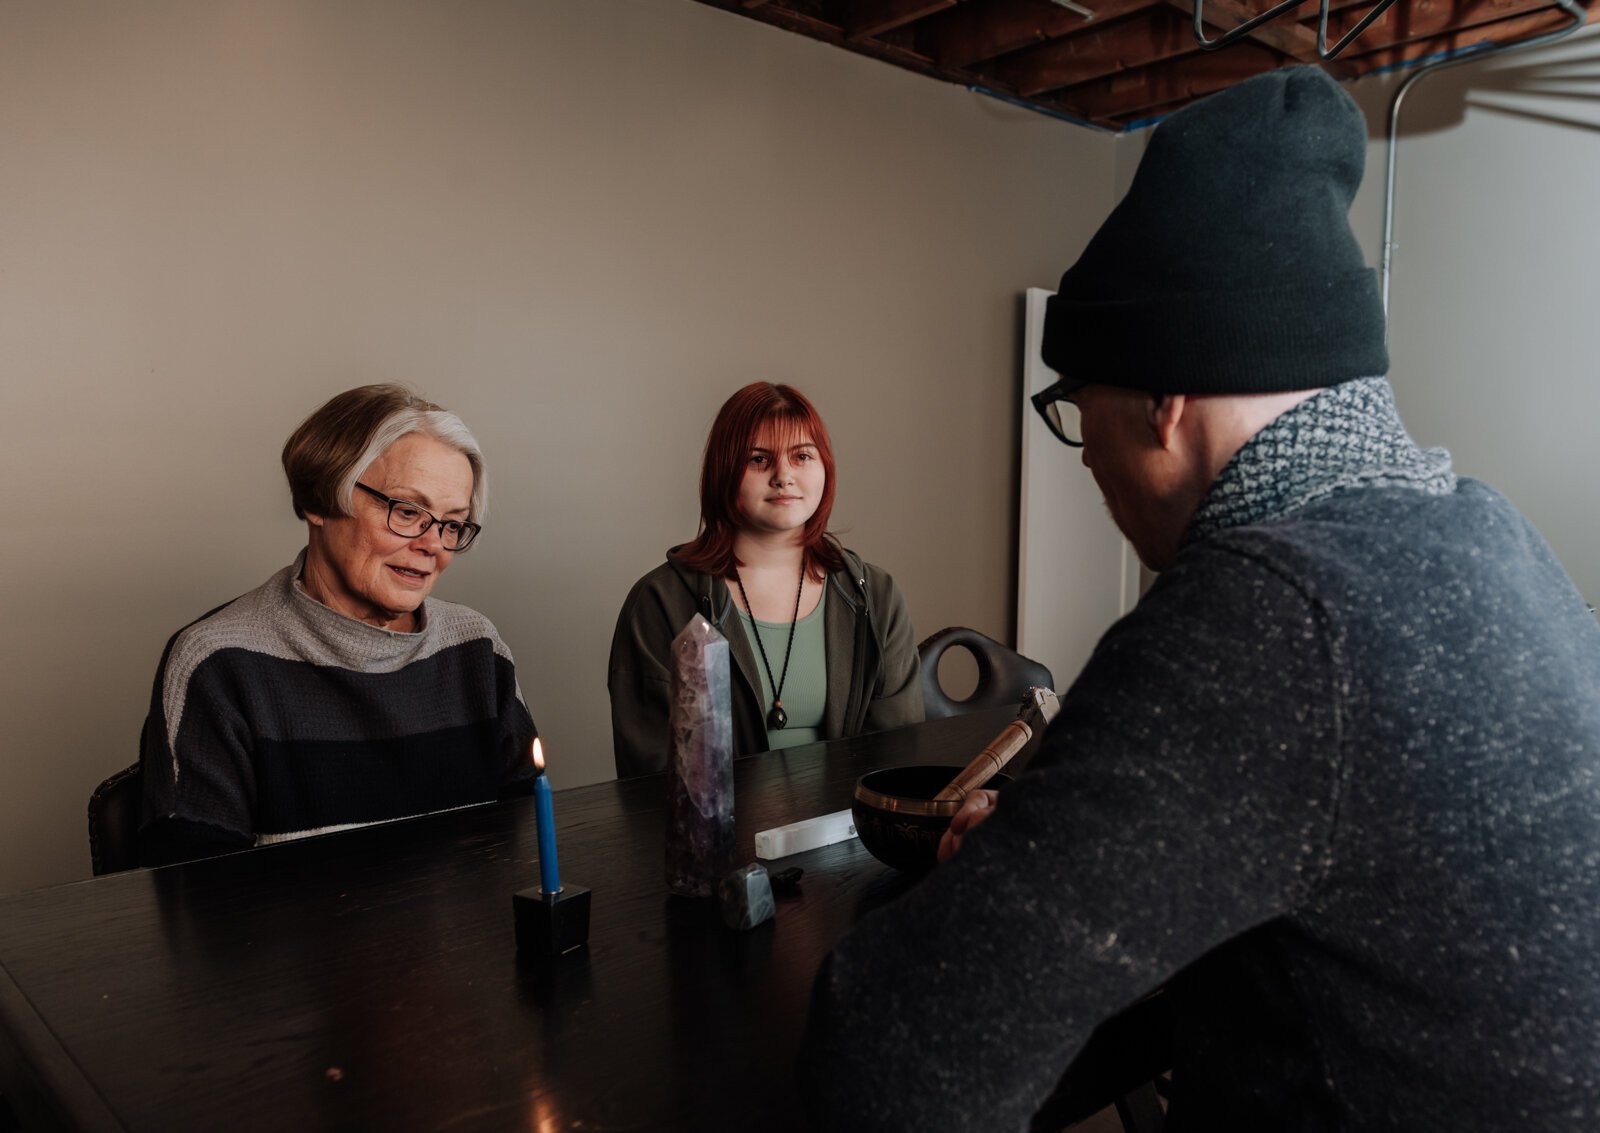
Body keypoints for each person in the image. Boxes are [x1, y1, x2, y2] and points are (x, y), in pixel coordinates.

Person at [799, 67, 1600, 1130]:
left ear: (1163, 398)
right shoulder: (1494, 533)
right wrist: (1068, 867)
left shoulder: (1263, 612)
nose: (1083, 453)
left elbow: (893, 1053)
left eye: (1076, 403)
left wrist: (989, 896)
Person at [139, 384, 537, 865]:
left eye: (452, 524)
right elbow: (199, 902)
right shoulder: (220, 663)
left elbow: (525, 845)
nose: (434, 545)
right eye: (408, 511)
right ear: (319, 499)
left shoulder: (476, 647)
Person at [608, 382, 922, 777]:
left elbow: (896, 753)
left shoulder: (875, 595)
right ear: (724, 470)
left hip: (852, 832)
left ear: (825, 467)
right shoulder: (660, 603)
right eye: (759, 459)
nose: (783, 476)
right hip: (719, 838)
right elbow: (653, 775)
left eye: (802, 456)